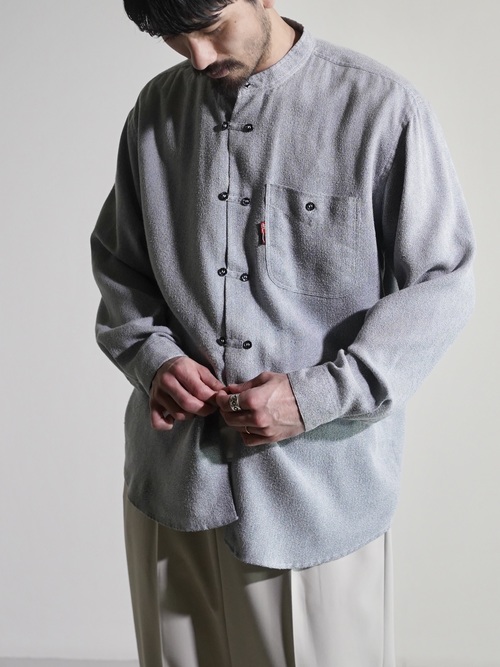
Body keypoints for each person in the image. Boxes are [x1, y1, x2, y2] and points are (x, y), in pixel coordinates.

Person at [91, 0, 475, 665]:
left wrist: (317, 396)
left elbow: (441, 285)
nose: (198, 57)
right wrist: (153, 359)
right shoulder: (155, 111)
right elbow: (121, 263)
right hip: (173, 481)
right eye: (176, 39)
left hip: (315, 495)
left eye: (211, 28)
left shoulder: (381, 110)